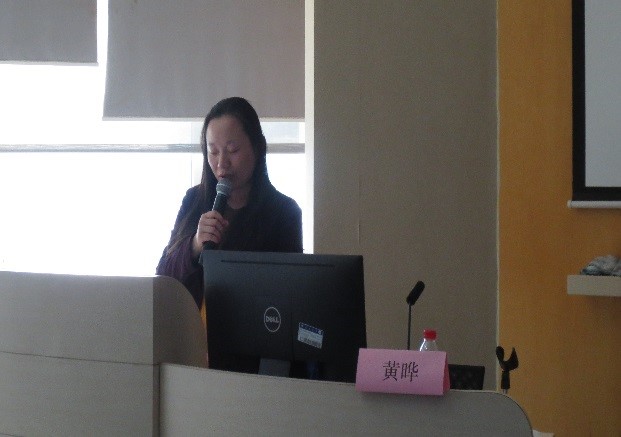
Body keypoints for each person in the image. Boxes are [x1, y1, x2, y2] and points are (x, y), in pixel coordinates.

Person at [156, 97, 303, 309]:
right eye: (213, 152)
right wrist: (195, 244)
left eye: (233, 150)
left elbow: (290, 292)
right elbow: (163, 278)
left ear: (257, 147)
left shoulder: (284, 212)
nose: (221, 163)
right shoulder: (193, 200)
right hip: (192, 327)